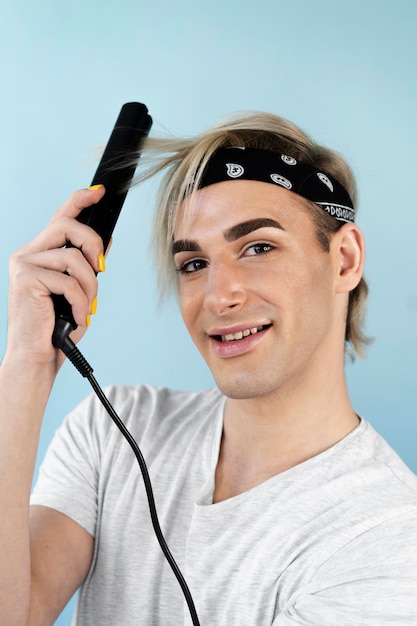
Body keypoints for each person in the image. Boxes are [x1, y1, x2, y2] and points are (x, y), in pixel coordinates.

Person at [0, 111, 416, 626]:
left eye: (259, 247)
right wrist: (26, 364)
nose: (219, 297)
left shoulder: (385, 538)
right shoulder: (112, 432)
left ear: (345, 260)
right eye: (194, 264)